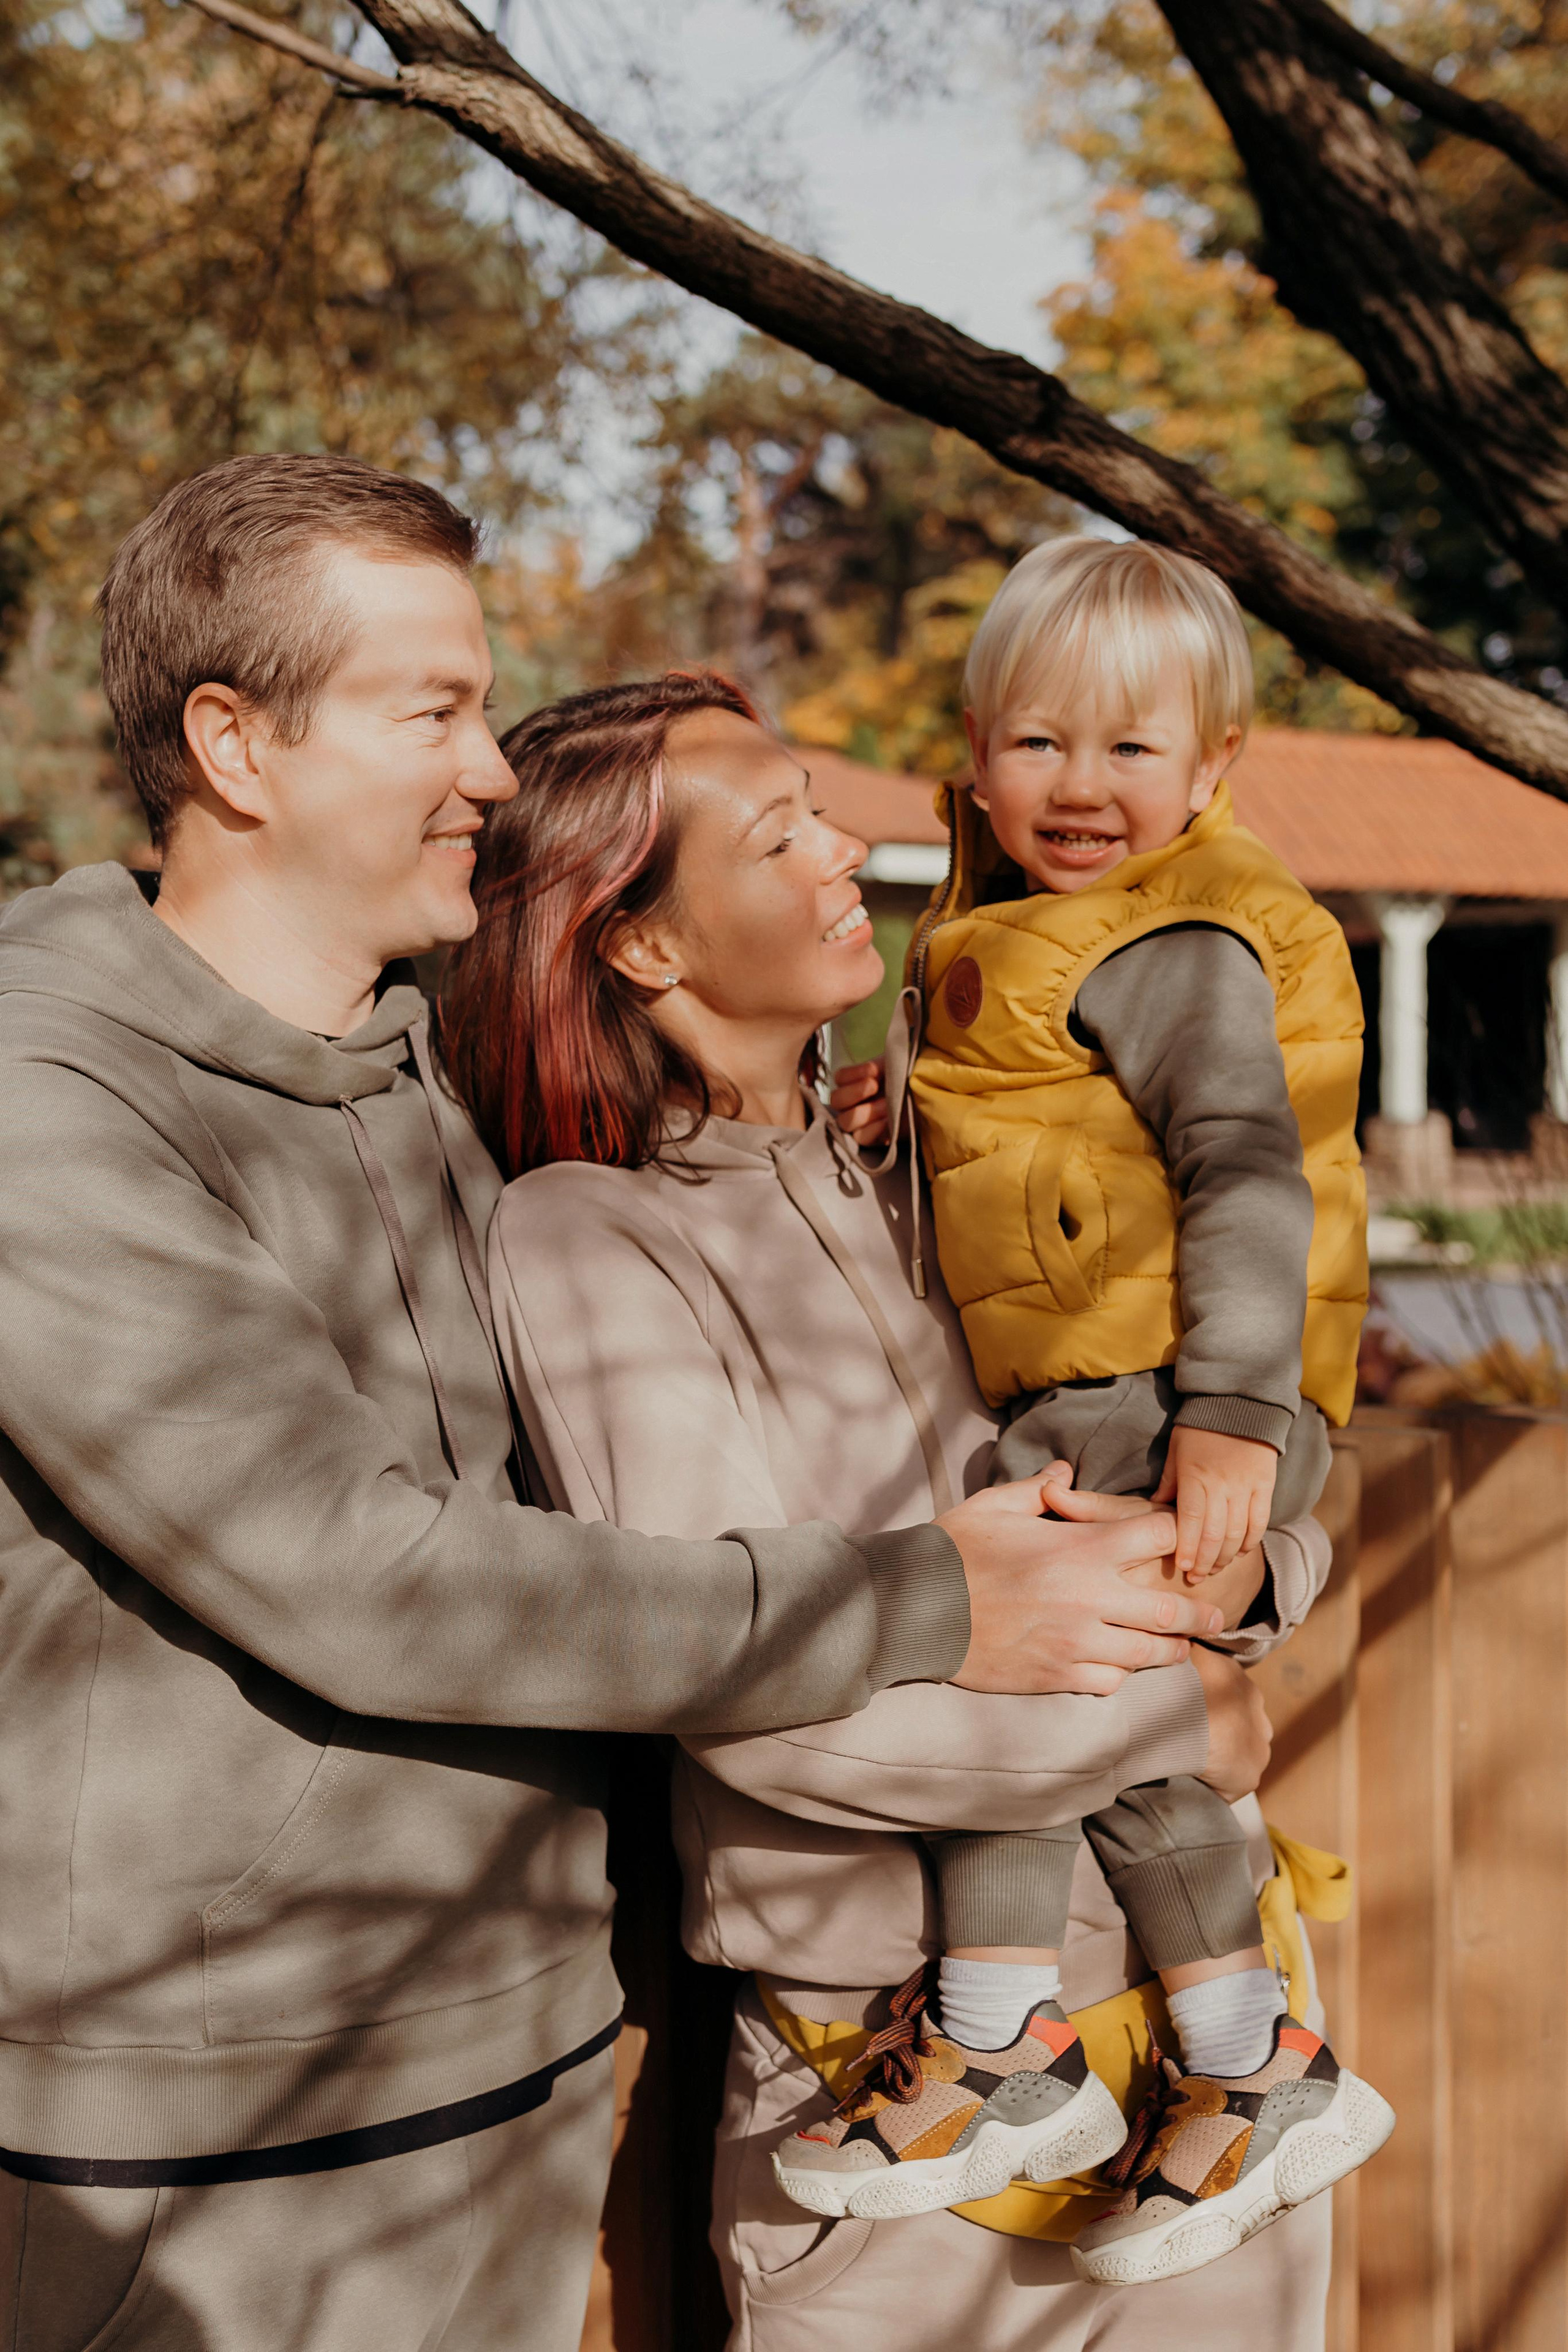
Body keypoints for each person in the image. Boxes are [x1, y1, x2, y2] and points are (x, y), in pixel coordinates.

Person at [0, 459, 1213, 2352]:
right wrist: (935, 1596)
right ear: (234, 746)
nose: (489, 769)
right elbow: (364, 1577)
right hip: (212, 2141)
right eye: (437, 709)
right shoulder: (49, 1103)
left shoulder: (416, 1088)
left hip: (535, 2062)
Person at [454, 669, 1335, 2350]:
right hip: (900, 2093)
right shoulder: (588, 1239)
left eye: (822, 810)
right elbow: (755, 1703)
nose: (843, 845)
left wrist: (1247, 1576)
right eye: (777, 835)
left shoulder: (940, 1162)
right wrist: (1182, 1707)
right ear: (641, 947)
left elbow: (1246, 1418)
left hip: (1215, 2035)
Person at [805, 537, 1390, 2283]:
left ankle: (997, 2037)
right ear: (977, 748)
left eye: (1134, 752)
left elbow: (1243, 1170)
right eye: (1042, 742)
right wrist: (889, 1130)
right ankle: (1244, 2062)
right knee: (1119, 1714)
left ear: (1213, 771)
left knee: (1029, 1670)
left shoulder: (1175, 932)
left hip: (1170, 1382)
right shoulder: (1005, 919)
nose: (1082, 787)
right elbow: (1051, 1141)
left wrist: (1231, 1415)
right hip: (1123, 1371)